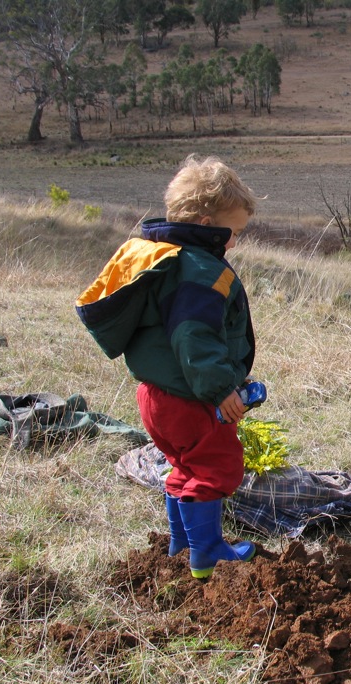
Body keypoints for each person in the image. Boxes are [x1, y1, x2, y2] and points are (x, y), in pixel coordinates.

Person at [76, 154, 260, 579]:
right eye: (232, 233)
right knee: (217, 465)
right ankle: (208, 552)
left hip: (154, 395)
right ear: (206, 221)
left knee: (185, 466)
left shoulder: (165, 257)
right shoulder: (199, 270)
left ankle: (183, 543)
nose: (233, 242)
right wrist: (221, 390)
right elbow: (194, 336)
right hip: (189, 396)